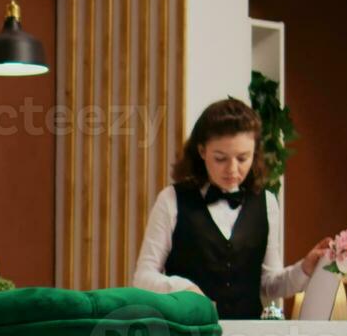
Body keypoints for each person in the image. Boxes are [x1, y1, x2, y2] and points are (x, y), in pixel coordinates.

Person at [132, 97, 328, 319]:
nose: (233, 169)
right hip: (187, 335)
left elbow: (268, 285)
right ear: (202, 151)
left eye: (243, 158)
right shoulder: (171, 200)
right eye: (220, 158)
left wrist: (304, 269)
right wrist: (182, 288)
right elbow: (143, 278)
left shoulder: (266, 202)